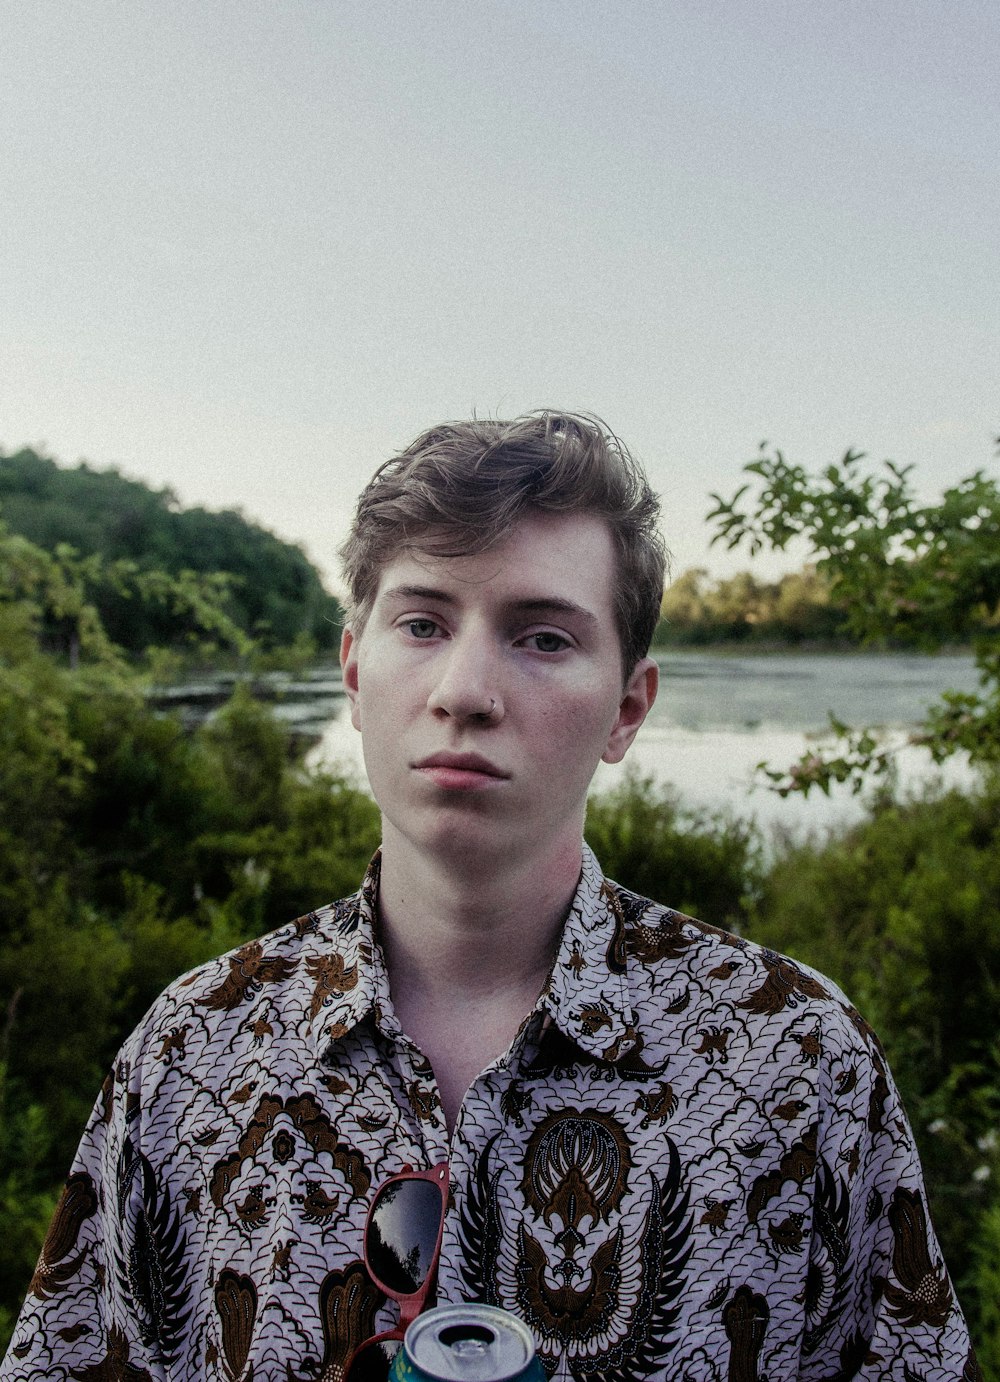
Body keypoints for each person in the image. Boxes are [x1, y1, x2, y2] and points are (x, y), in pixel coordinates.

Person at [1, 412, 978, 1382]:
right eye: (422, 623)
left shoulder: (798, 1060)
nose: (465, 688)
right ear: (352, 670)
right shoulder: (190, 1049)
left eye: (543, 637)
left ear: (626, 708)